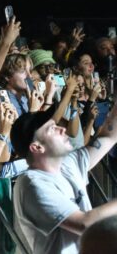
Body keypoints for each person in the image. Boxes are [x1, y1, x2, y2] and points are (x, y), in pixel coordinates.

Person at [10, 102, 117, 254]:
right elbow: (85, 223)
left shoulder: (68, 164)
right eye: (52, 129)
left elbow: (108, 136)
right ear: (37, 147)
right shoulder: (31, 183)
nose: (62, 129)